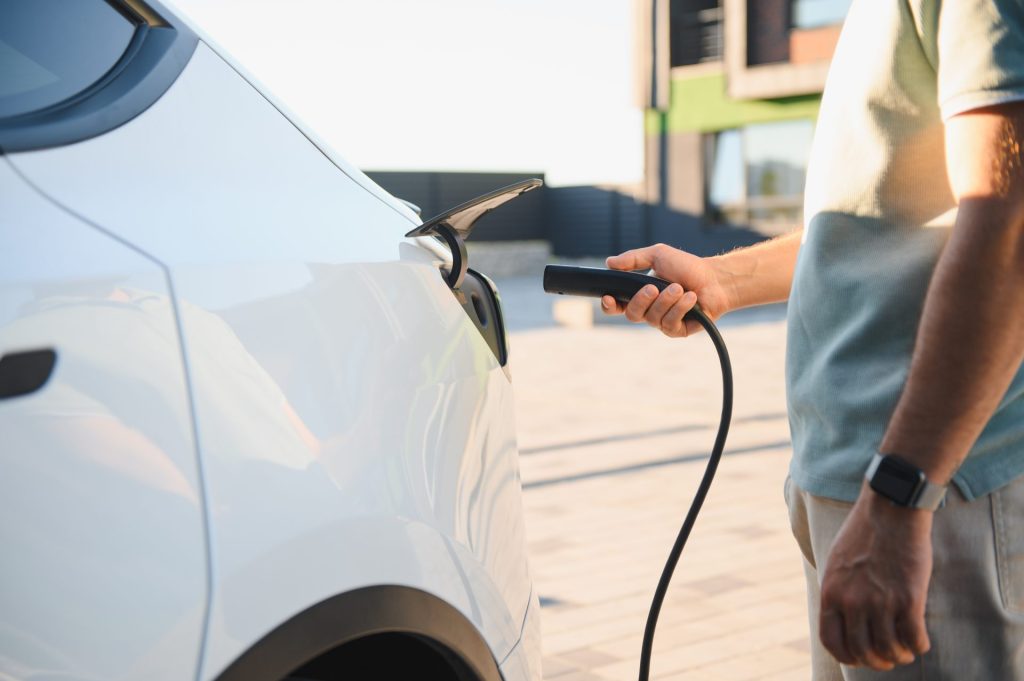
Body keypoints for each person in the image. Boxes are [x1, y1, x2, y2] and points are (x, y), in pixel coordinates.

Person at [603, 0, 1024, 678]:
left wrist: (899, 497)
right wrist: (721, 279)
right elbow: (872, 229)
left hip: (936, 495)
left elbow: (1010, 230)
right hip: (861, 484)